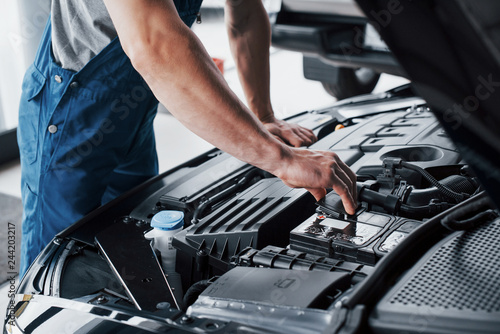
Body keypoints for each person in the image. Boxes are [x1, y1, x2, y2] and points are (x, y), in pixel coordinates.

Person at [18, 0, 357, 276]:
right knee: (54, 269)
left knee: (130, 249)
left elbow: (246, 14)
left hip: (134, 117)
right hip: (71, 117)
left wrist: (263, 116)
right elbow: (155, 45)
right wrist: (279, 158)